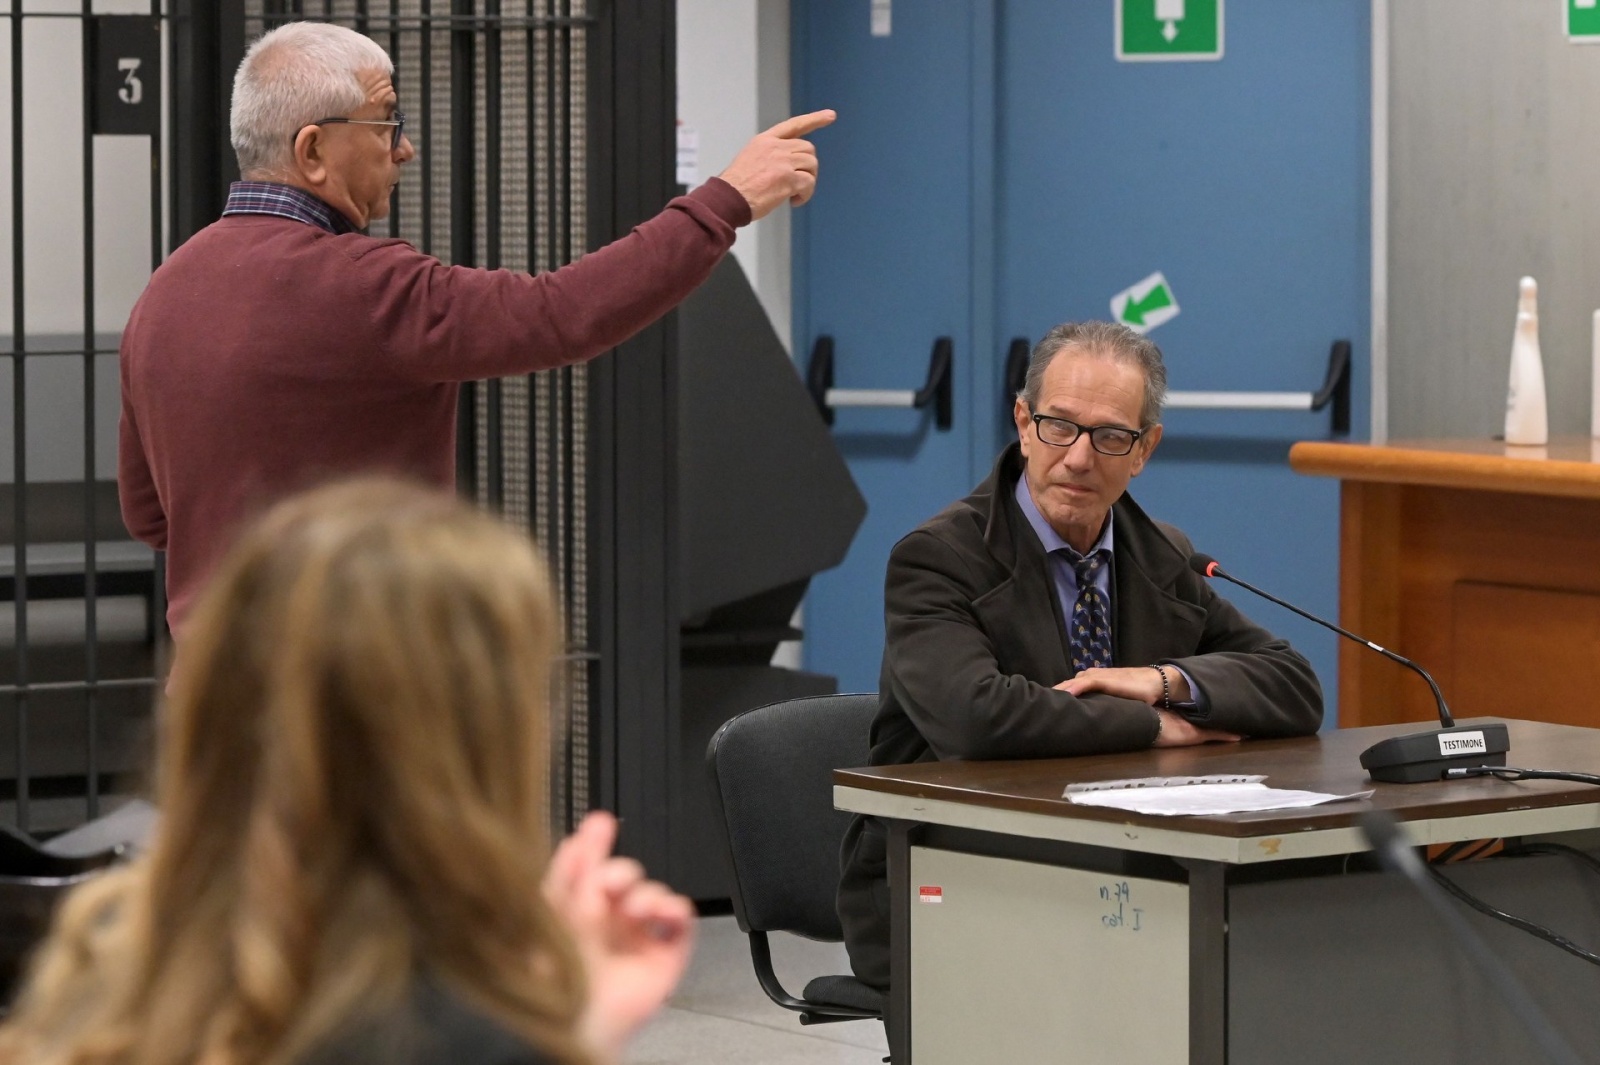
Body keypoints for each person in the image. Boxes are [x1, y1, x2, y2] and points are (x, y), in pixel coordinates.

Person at [118, 20, 834, 630]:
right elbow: (561, 313)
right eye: (387, 123)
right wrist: (724, 202)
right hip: (354, 693)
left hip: (211, 701)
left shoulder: (162, 294)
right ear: (312, 150)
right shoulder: (363, 287)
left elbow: (152, 518)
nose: (403, 149)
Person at [0, 479, 692, 1065]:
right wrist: (569, 1034)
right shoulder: (448, 1035)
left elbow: (143, 508)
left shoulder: (96, 973)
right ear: (486, 733)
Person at [836, 320, 1324, 989]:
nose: (1078, 457)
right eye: (1059, 425)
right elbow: (978, 718)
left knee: (1274, 966)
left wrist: (1160, 681)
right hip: (951, 876)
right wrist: (1156, 724)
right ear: (1022, 422)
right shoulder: (939, 558)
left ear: (1144, 449)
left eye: (1110, 436)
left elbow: (1293, 684)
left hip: (1123, 877)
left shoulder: (1163, 555)